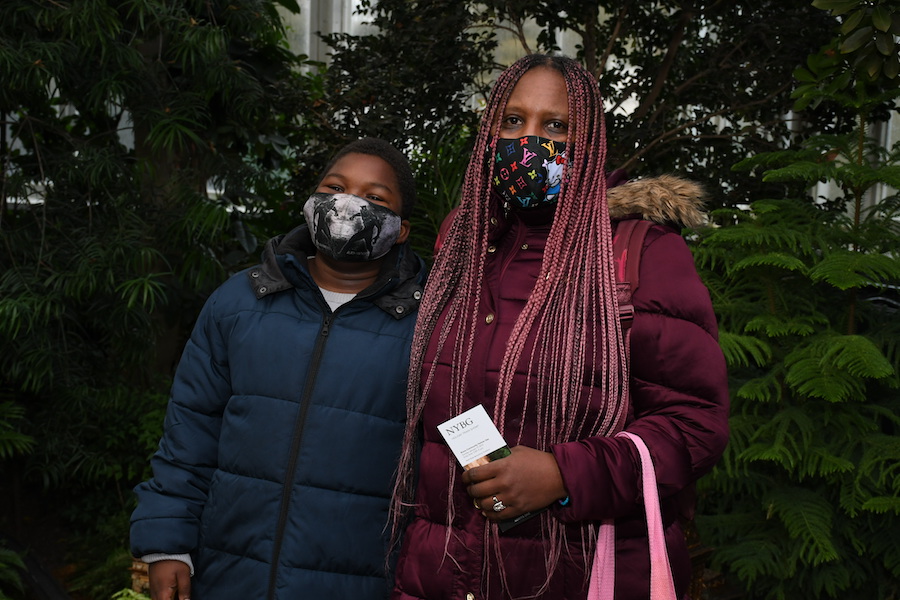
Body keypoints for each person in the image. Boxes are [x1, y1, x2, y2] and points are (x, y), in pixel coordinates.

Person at [389, 54, 730, 600]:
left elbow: (695, 424)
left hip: (578, 572)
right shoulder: (463, 245)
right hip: (444, 571)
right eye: (512, 121)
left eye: (556, 127)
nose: (529, 141)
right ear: (487, 132)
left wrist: (564, 475)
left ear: (589, 141)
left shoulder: (637, 254)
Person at [130, 137, 426, 600]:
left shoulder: (432, 324)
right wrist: (166, 541)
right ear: (311, 204)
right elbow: (189, 431)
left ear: (401, 230)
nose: (347, 204)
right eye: (334, 187)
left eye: (374, 198)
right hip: (230, 573)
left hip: (362, 581)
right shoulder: (239, 302)